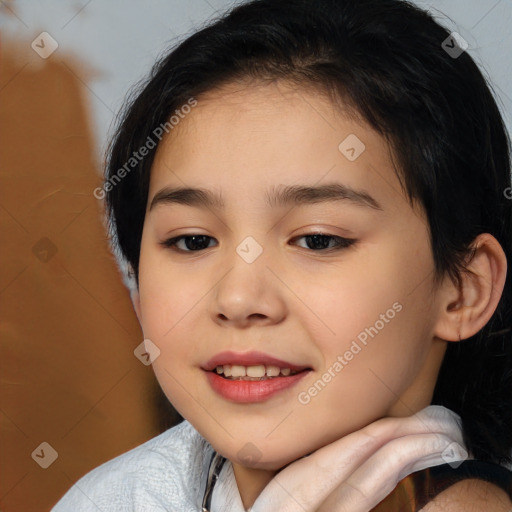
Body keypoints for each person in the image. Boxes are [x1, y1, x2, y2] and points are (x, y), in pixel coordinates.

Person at [52, 0, 512, 510]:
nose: (239, 297)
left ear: (463, 290)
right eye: (193, 240)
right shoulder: (112, 497)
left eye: (317, 239)